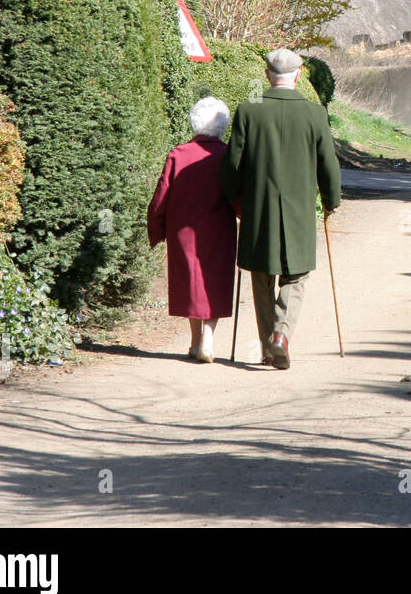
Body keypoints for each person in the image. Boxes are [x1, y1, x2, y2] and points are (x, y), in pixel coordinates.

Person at [219, 48, 343, 370]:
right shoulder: (315, 114)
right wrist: (331, 200)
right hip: (299, 212)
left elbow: (232, 164)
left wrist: (233, 198)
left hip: (257, 211)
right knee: (296, 277)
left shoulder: (249, 110)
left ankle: (267, 346)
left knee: (261, 277)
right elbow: (328, 165)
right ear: (298, 76)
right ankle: (281, 336)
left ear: (267, 75)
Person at [147, 97, 237, 364]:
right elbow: (237, 194)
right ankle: (207, 340)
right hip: (219, 227)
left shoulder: (179, 153)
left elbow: (161, 195)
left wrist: (156, 227)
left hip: (182, 229)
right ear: (223, 124)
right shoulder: (228, 156)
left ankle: (195, 340)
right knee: (214, 282)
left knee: (191, 282)